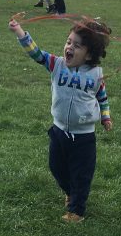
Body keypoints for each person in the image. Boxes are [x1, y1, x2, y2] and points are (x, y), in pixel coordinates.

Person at [7, 17, 112, 223]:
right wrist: (20, 31)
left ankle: (76, 211)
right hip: (59, 130)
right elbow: (36, 53)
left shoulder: (95, 75)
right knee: (56, 167)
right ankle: (70, 192)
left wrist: (105, 117)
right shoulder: (57, 64)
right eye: (68, 42)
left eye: (77, 46)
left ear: (89, 54)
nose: (69, 47)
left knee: (81, 175)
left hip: (83, 137)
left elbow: (102, 97)